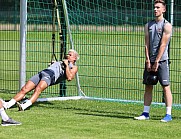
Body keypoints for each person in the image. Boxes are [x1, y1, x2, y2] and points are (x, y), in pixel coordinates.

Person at [3, 49, 79, 111]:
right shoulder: (62, 62)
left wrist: (66, 65)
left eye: (70, 55)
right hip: (43, 72)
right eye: (68, 54)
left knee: (38, 89)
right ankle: (8, 105)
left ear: (75, 58)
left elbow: (69, 77)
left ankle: (24, 106)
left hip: (50, 76)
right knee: (24, 89)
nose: (67, 55)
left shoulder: (73, 67)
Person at [134, 0, 173, 122]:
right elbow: (146, 44)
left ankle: (168, 114)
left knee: (165, 86)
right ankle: (145, 113)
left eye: (158, 7)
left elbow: (163, 45)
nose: (155, 9)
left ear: (164, 10)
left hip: (161, 61)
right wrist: (147, 60)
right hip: (150, 61)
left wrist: (156, 61)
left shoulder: (167, 25)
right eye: (154, 7)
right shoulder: (148, 25)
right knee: (148, 86)